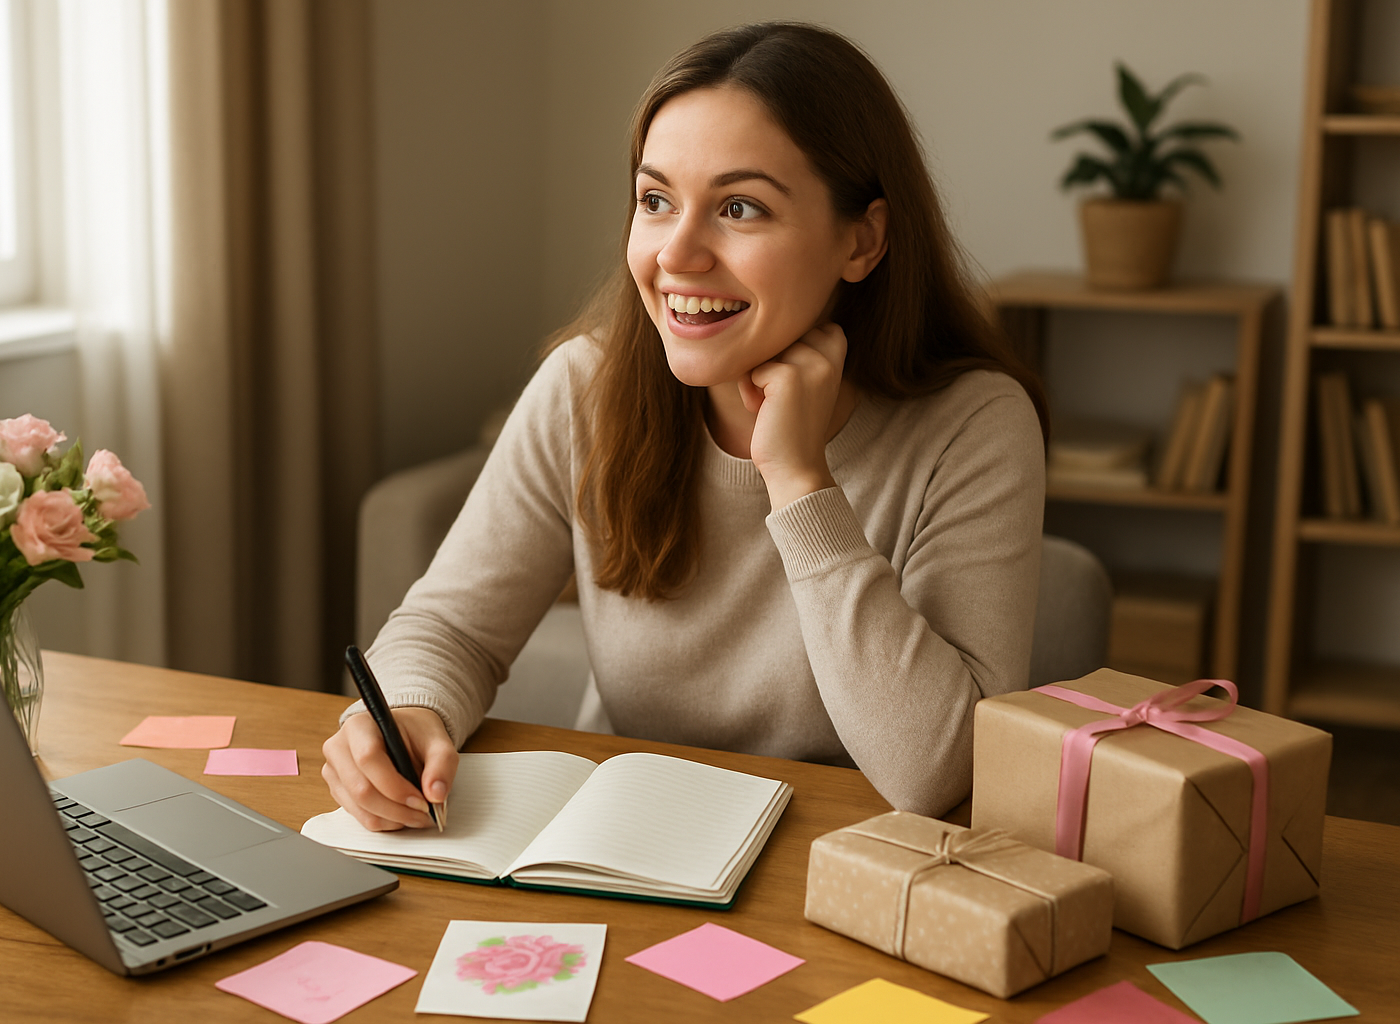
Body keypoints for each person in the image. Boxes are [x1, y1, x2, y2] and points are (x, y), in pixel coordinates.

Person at [322, 21, 1047, 828]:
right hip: (625, 849)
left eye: (739, 207)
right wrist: (404, 714)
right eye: (656, 200)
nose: (678, 254)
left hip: (850, 873)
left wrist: (801, 484)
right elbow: (451, 627)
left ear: (862, 239)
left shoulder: (975, 425)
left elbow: (939, 773)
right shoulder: (583, 389)